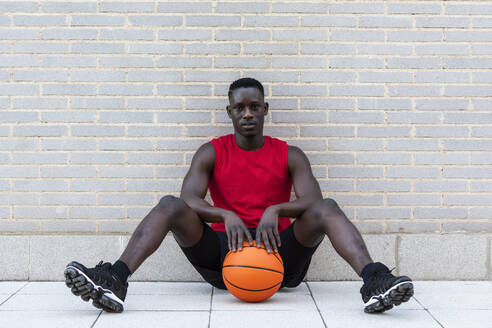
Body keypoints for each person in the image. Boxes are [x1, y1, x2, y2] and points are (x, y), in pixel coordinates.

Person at [64, 77, 413, 314]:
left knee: (328, 208)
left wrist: (276, 209)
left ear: (265, 109)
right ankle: (114, 279)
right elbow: (189, 200)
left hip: (279, 254)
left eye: (254, 106)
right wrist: (224, 214)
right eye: (240, 108)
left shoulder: (289, 154)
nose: (248, 113)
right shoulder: (211, 152)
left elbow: (313, 201)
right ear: (229, 112)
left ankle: (375, 280)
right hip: (222, 255)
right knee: (170, 204)